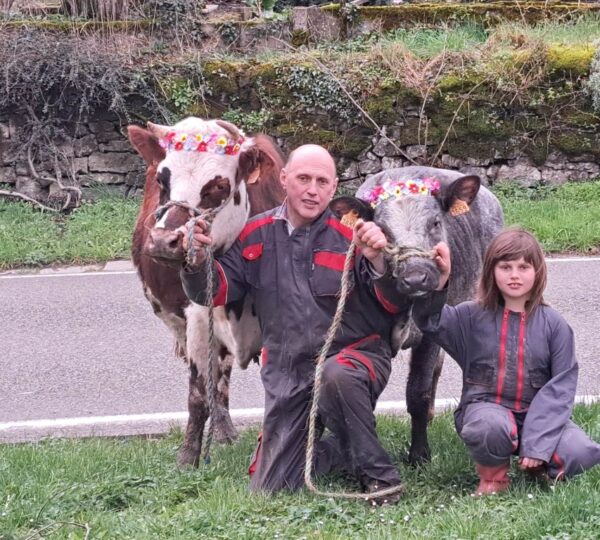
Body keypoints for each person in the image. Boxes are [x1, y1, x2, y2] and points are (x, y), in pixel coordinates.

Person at [179, 144, 408, 502]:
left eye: (322, 182)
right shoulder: (254, 234)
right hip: (288, 371)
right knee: (270, 487)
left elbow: (393, 303)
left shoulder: (356, 234)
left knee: (336, 375)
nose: (312, 190)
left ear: (334, 188)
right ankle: (339, 449)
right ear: (284, 179)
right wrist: (195, 261)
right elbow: (215, 291)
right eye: (303, 178)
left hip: (354, 357)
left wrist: (378, 261)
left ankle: (380, 478)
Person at [413, 228, 600, 495]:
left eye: (524, 267)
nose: (514, 275)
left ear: (538, 272)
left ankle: (538, 464)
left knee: (580, 451)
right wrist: (441, 280)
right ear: (491, 271)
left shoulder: (555, 325)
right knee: (488, 427)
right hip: (486, 411)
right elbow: (428, 321)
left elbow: (561, 389)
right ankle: (494, 477)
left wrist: (538, 443)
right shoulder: (469, 316)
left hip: (538, 417)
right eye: (505, 267)